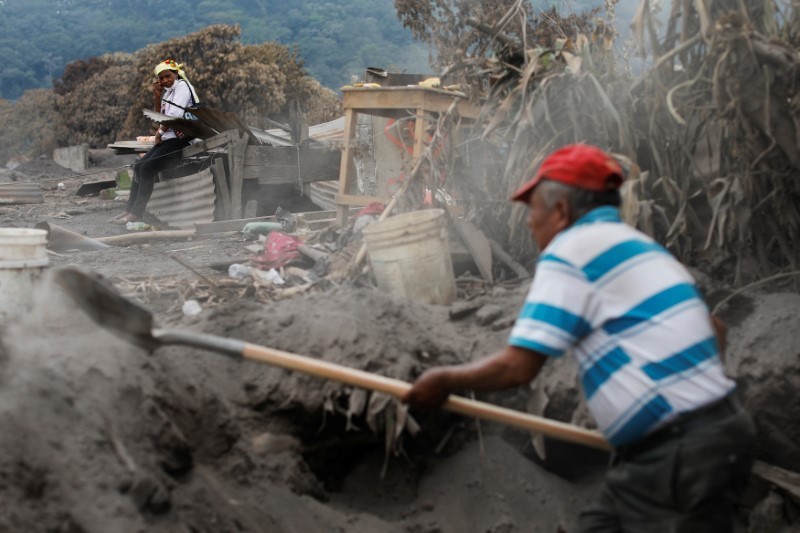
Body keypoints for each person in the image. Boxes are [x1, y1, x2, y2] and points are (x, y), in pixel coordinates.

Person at [402, 144, 756, 532]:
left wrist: (444, 381)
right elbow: (715, 330)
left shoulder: (570, 250)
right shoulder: (645, 250)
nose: (527, 223)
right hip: (716, 434)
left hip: (678, 449)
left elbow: (519, 367)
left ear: (561, 211)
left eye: (532, 208)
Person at [111, 59, 200, 224]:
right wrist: (157, 96)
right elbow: (160, 115)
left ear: (176, 74)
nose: (165, 80)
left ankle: (136, 213)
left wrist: (159, 133)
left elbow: (174, 116)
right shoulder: (168, 92)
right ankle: (129, 210)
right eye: (162, 78)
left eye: (168, 76)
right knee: (139, 166)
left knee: (147, 168)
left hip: (181, 139)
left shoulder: (182, 86)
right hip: (169, 138)